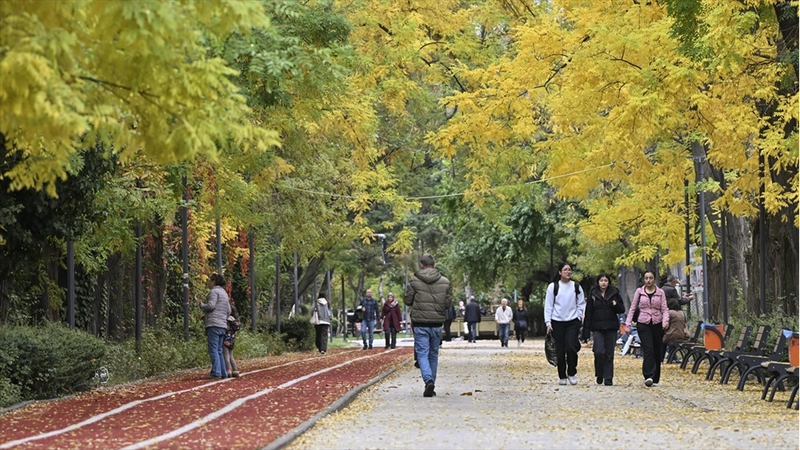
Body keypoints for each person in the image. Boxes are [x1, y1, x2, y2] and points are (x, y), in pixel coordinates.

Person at [405, 253, 452, 397]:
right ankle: (431, 383)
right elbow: (448, 303)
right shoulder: (445, 282)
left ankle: (428, 380)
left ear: (421, 265)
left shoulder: (414, 281)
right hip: (437, 322)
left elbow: (407, 300)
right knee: (433, 354)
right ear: (435, 265)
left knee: (422, 353)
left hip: (420, 322)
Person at [626, 270, 669, 387]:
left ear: (654, 279)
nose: (648, 280)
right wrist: (628, 324)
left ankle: (656, 377)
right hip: (643, 323)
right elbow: (633, 308)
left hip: (657, 323)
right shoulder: (639, 292)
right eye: (646, 278)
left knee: (656, 350)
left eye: (650, 278)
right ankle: (648, 375)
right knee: (648, 348)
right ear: (644, 280)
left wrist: (665, 321)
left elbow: (664, 308)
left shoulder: (660, 293)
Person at [544, 262, 585, 386]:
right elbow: (548, 305)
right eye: (565, 270)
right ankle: (562, 375)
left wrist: (578, 317)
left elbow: (581, 303)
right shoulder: (553, 287)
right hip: (557, 321)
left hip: (572, 321)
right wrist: (548, 322)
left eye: (569, 270)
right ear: (560, 272)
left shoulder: (576, 286)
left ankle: (571, 372)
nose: (568, 272)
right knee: (560, 350)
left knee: (571, 347)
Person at [581, 273, 624, 386]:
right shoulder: (593, 293)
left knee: (609, 353)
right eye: (601, 280)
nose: (603, 282)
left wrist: (615, 305)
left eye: (605, 280)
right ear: (598, 282)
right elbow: (589, 312)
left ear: (608, 282)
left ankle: (608, 377)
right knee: (599, 352)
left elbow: (621, 309)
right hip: (597, 327)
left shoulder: (614, 293)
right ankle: (600, 373)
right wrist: (585, 331)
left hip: (611, 326)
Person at [200, 273, 231, 379]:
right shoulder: (224, 293)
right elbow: (229, 310)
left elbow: (211, 306)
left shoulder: (213, 292)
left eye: (210, 280)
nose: (208, 282)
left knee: (213, 349)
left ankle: (216, 372)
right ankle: (223, 372)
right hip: (222, 325)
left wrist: (202, 305)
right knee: (219, 350)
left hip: (214, 324)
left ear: (213, 281)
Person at [663, 296, 690, 361]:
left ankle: (669, 357)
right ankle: (673, 356)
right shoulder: (682, 313)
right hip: (682, 334)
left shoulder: (670, 313)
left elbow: (666, 324)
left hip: (672, 335)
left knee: (663, 340)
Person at [223, 305, 241, 377]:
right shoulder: (236, 320)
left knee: (226, 356)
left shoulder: (227, 319)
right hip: (232, 339)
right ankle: (235, 370)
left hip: (225, 339)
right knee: (231, 356)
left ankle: (228, 371)